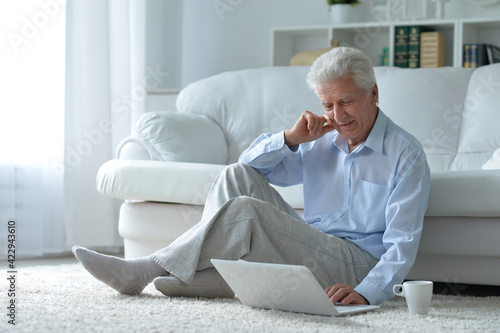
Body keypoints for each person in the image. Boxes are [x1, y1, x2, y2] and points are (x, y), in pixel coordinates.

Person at [73, 46, 430, 306]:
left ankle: (143, 270)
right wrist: (290, 139)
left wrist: (368, 292)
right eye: (327, 104)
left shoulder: (406, 154)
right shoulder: (322, 138)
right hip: (312, 244)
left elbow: (402, 244)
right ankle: (210, 279)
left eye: (347, 102)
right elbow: (248, 168)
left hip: (355, 263)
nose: (337, 115)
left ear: (374, 94)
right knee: (234, 176)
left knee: (245, 211)